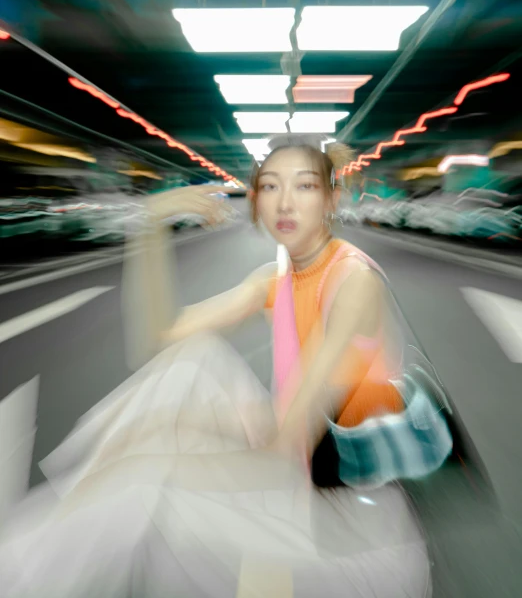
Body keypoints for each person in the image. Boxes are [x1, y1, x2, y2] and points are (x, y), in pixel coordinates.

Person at [0, 136, 431, 598]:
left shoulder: (354, 282)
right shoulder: (276, 281)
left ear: (330, 199)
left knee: (144, 480)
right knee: (189, 366)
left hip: (348, 534)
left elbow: (290, 447)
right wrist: (149, 225)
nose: (285, 202)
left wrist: (157, 460)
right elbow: (158, 339)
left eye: (304, 187)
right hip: (300, 474)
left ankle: (29, 567)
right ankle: (53, 543)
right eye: (269, 187)